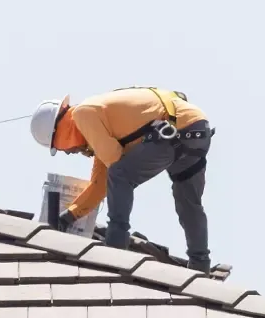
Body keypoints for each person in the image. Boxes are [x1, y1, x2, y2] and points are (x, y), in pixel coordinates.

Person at [30, 87, 213, 272]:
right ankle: (200, 264)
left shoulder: (82, 114)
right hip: (197, 130)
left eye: (61, 148)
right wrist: (68, 217)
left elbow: (116, 170)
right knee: (188, 204)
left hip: (173, 132)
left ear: (59, 132)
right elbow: (100, 184)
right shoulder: (99, 120)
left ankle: (116, 247)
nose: (69, 152)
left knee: (120, 175)